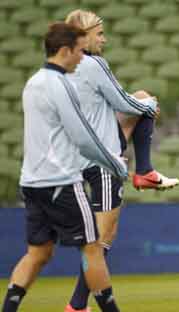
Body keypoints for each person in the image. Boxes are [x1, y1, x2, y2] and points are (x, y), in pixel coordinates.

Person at [1, 23, 127, 312]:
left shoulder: (33, 83)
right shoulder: (61, 86)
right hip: (60, 182)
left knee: (38, 252)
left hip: (31, 183)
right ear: (64, 50)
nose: (82, 58)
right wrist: (115, 164)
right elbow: (83, 137)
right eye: (80, 52)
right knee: (93, 247)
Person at [63, 9, 179, 312]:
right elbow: (122, 101)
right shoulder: (93, 63)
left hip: (78, 153)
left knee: (98, 238)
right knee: (103, 239)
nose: (105, 38)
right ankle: (77, 307)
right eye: (99, 33)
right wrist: (151, 106)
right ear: (84, 36)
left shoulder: (62, 67)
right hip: (102, 159)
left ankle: (144, 170)